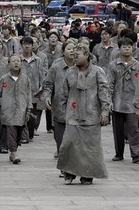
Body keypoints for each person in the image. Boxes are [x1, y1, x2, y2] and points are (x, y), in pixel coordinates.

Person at [57, 45, 110, 185]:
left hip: (92, 115)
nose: (74, 58)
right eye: (73, 55)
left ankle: (87, 174)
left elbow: (104, 93)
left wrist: (105, 111)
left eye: (78, 55)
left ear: (86, 55)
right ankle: (69, 172)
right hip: (72, 114)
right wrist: (63, 110)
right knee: (69, 144)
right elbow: (63, 93)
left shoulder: (98, 71)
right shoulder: (70, 72)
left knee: (90, 148)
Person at [107, 38, 139, 163]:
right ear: (119, 48)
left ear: (133, 48)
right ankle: (119, 153)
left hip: (133, 103)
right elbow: (109, 84)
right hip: (117, 102)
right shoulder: (113, 65)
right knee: (117, 131)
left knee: (134, 129)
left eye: (129, 46)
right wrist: (109, 100)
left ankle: (135, 153)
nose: (127, 48)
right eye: (124, 46)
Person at [0, 55, 31, 164]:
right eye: (13, 61)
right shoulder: (4, 79)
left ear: (21, 63)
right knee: (11, 131)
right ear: (9, 63)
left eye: (18, 61)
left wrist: (29, 108)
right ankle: (14, 152)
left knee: (19, 133)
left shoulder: (25, 78)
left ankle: (12, 152)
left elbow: (29, 94)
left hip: (21, 109)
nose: (16, 63)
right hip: (8, 110)